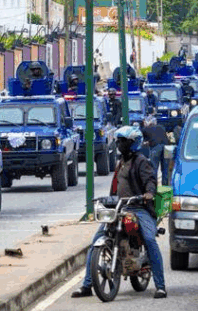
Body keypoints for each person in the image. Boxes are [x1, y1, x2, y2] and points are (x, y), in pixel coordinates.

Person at [72, 126, 167, 299]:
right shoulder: (120, 162)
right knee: (95, 241)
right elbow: (115, 189)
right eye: (118, 140)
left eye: (122, 141)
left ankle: (160, 286)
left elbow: (150, 181)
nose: (119, 144)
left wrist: (148, 194)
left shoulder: (141, 161)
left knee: (149, 239)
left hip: (139, 208)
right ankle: (87, 285)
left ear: (132, 143)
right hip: (119, 208)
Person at [141, 114, 171, 184]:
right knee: (165, 169)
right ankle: (165, 187)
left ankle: (154, 187)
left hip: (155, 147)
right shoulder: (161, 127)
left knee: (154, 168)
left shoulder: (145, 129)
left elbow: (144, 141)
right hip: (166, 148)